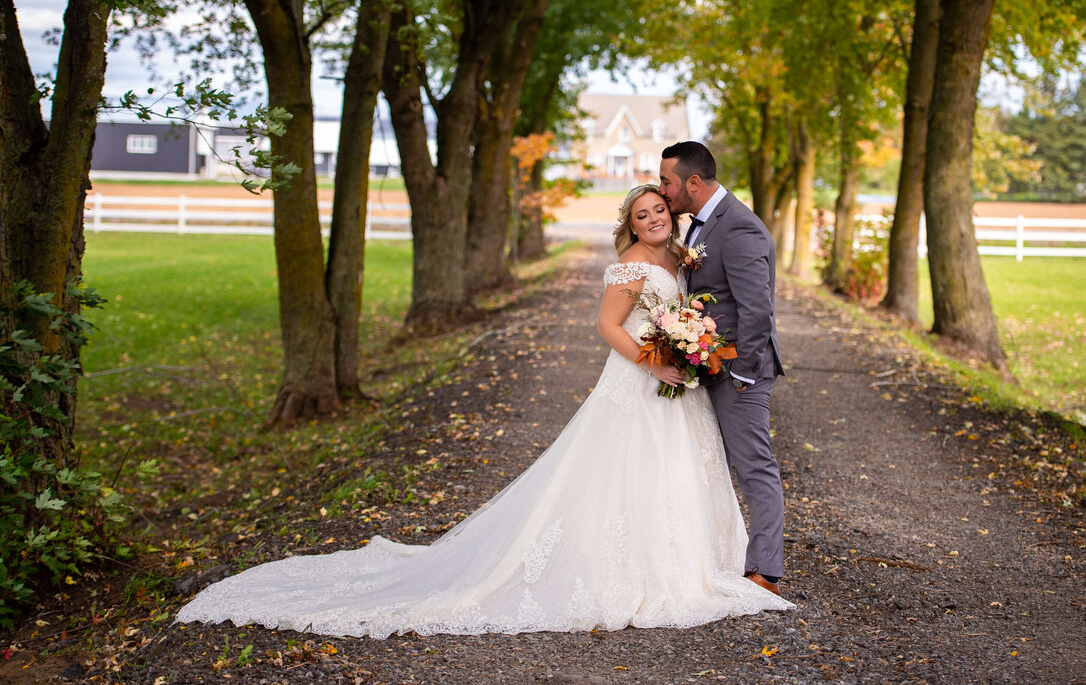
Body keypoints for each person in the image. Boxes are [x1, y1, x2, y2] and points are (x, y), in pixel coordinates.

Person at [175, 185, 792, 638]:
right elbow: (607, 325)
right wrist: (654, 363)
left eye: (660, 210)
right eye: (642, 214)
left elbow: (687, 310)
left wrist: (687, 346)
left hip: (675, 387)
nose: (654, 219)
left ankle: (692, 557)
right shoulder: (630, 264)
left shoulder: (679, 257)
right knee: (619, 470)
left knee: (678, 467)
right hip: (639, 382)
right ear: (628, 224)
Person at [658, 141, 787, 595]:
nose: (662, 190)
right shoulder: (702, 223)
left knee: (754, 467)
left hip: (739, 371)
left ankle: (767, 574)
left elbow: (757, 310)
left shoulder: (739, 228)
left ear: (693, 182)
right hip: (709, 365)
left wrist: (744, 375)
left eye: (667, 182)